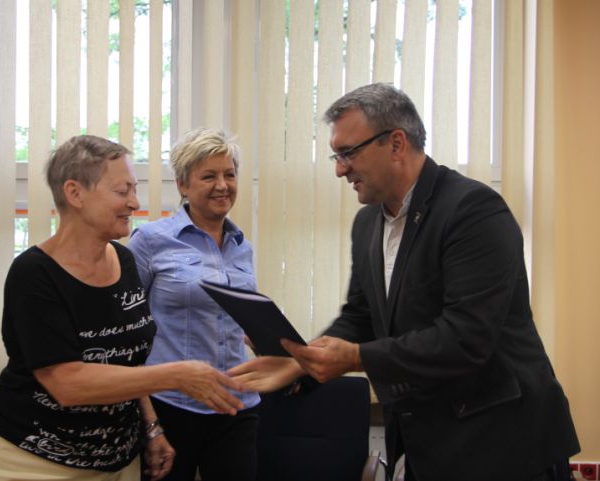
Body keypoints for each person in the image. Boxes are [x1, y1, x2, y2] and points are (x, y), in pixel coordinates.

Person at [229, 83, 580, 481]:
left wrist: (356, 357)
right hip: (425, 445)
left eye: (348, 153)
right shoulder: (368, 223)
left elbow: (466, 338)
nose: (340, 169)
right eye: (336, 156)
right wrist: (300, 359)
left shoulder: (473, 211)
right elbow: (361, 316)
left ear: (396, 143)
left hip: (503, 446)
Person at [0, 135, 245, 481]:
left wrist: (151, 427)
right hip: (37, 461)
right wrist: (177, 375)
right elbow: (67, 384)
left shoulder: (123, 260)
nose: (135, 203)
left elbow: (129, 364)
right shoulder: (34, 274)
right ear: (75, 193)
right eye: (122, 191)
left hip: (120, 460)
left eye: (134, 190)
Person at [128, 128, 260, 481]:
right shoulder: (150, 241)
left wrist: (271, 344)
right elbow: (127, 333)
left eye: (229, 174)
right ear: (183, 185)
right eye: (209, 176)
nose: (222, 185)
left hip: (236, 405)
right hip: (171, 405)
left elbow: (240, 320)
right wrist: (149, 422)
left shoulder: (242, 246)